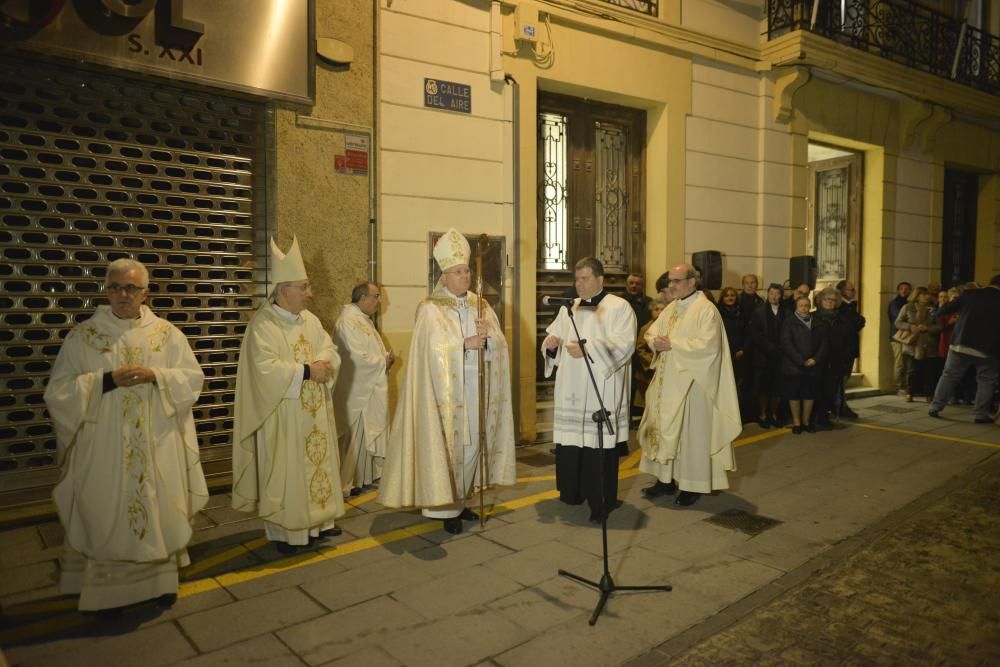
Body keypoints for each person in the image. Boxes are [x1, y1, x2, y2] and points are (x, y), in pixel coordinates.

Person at [43, 258, 208, 614]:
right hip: (104, 446)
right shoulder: (84, 336)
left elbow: (192, 378)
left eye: (131, 288)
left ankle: (160, 582)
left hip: (156, 443)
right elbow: (57, 392)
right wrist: (105, 380)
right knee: (105, 507)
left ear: (145, 292)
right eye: (116, 287)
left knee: (157, 503)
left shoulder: (167, 334)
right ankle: (108, 593)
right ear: (106, 290)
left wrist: (156, 375)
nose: (123, 294)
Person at [379, 228, 516, 534]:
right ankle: (444, 509)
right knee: (449, 447)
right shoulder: (430, 309)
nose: (464, 276)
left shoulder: (481, 305)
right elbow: (432, 349)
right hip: (445, 395)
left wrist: (489, 338)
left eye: (467, 271)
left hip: (475, 389)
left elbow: (499, 344)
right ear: (444, 276)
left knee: (471, 446)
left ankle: (463, 501)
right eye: (458, 272)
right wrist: (462, 344)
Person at [232, 236, 345, 554]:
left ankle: (318, 525)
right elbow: (263, 370)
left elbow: (328, 346)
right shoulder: (263, 326)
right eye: (304, 287)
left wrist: (324, 362)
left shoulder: (309, 320)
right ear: (284, 290)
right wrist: (307, 371)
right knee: (288, 473)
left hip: (313, 414)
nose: (310, 293)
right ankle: (285, 534)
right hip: (283, 415)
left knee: (316, 467)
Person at [637, 263, 741, 506]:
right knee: (664, 430)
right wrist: (656, 342)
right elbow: (652, 333)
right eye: (670, 281)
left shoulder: (706, 310)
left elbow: (708, 345)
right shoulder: (672, 307)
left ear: (692, 282)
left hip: (694, 384)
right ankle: (665, 481)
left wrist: (672, 343)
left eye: (676, 281)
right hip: (667, 383)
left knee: (691, 435)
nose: (671, 285)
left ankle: (692, 484)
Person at [543, 257, 635, 521]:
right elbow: (558, 340)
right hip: (572, 386)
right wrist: (551, 345)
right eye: (576, 279)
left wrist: (588, 349)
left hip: (600, 387)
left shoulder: (619, 307)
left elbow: (625, 344)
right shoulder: (569, 307)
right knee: (573, 443)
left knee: (598, 446)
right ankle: (572, 493)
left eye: (584, 279)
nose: (578, 284)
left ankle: (601, 502)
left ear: (600, 279)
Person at [332, 282, 394, 497]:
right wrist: (381, 362)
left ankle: (363, 478)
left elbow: (369, 352)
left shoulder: (362, 321)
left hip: (367, 387)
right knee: (354, 436)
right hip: (356, 390)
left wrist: (384, 359)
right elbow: (355, 358)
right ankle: (346, 481)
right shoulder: (347, 322)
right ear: (362, 298)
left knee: (365, 435)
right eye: (376, 296)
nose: (379, 301)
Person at [928, 275, 1000, 423]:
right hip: (989, 349)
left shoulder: (970, 294)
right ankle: (980, 415)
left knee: (949, 375)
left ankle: (935, 407)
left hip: (960, 343)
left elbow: (945, 309)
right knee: (986, 380)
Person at [780, 295, 828, 434]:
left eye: (806, 305)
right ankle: (797, 422)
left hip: (813, 365)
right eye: (801, 305)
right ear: (796, 307)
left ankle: (806, 422)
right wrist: (801, 360)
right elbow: (786, 344)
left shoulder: (818, 322)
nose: (804, 308)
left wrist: (816, 359)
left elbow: (824, 344)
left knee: (809, 394)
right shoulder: (788, 322)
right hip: (794, 366)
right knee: (794, 394)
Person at [812, 287, 853, 427]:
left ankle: (825, 418)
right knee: (816, 390)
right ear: (820, 300)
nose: (830, 302)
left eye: (833, 300)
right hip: (817, 362)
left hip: (836, 362)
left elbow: (849, 342)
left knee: (831, 391)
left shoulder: (843, 320)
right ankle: (815, 417)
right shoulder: (813, 318)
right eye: (827, 299)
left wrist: (845, 360)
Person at [748, 283, 787, 427]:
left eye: (777, 294)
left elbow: (788, 331)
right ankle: (763, 414)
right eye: (771, 293)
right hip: (763, 355)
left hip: (781, 356)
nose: (774, 296)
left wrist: (782, 348)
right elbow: (755, 334)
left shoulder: (786, 311)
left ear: (781, 296)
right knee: (763, 387)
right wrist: (769, 347)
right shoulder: (759, 311)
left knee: (777, 387)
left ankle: (775, 414)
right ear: (768, 294)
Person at [894, 287, 942, 402]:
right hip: (912, 344)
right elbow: (898, 322)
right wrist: (910, 327)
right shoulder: (908, 307)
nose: (926, 297)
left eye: (927, 295)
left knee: (929, 371)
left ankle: (929, 394)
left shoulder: (934, 310)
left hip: (929, 344)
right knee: (911, 370)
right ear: (917, 295)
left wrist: (928, 328)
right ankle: (909, 392)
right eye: (923, 295)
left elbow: (940, 326)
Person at [834, 279, 865, 419]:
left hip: (849, 349)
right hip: (842, 351)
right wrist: (858, 320)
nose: (853, 292)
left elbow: (860, 321)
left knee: (844, 379)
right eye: (850, 290)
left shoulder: (850, 306)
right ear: (841, 292)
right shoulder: (840, 307)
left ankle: (840, 405)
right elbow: (856, 322)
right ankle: (839, 407)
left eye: (853, 289)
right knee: (840, 381)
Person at [717, 287, 749, 419]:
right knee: (724, 387)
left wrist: (743, 349)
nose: (729, 298)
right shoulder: (718, 313)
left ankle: (737, 416)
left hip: (740, 355)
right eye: (726, 296)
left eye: (732, 295)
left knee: (738, 386)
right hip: (724, 354)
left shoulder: (742, 313)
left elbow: (748, 333)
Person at [633, 296, 668, 414]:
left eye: (662, 309)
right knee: (649, 399)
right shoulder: (646, 328)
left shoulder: (669, 327)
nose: (659, 312)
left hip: (665, 366)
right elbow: (640, 348)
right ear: (651, 312)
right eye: (656, 309)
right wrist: (653, 360)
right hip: (649, 370)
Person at [888, 281, 913, 394]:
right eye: (902, 288)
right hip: (897, 337)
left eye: (907, 289)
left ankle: (907, 386)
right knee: (899, 363)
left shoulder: (910, 302)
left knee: (908, 363)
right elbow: (898, 317)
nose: (904, 291)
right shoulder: (895, 303)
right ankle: (898, 387)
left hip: (908, 336)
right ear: (898, 290)